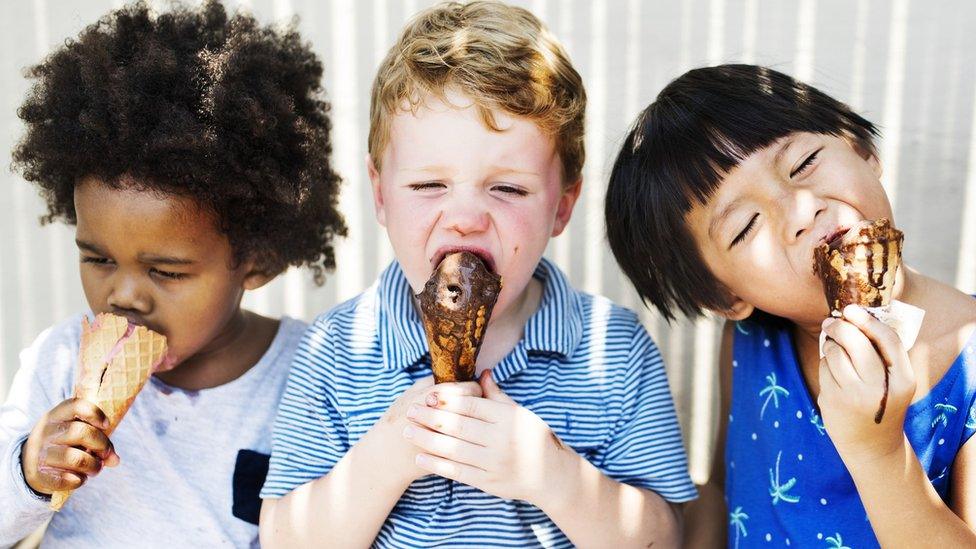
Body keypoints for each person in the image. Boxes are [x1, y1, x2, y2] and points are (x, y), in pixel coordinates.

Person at [258, 2, 696, 547]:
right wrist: (396, 447)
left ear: (562, 205)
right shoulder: (334, 350)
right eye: (428, 186)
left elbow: (665, 538)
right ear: (380, 194)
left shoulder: (616, 351)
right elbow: (284, 538)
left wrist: (553, 475)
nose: (465, 217)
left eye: (508, 188)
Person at [0, 1, 345, 546]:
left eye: (166, 270)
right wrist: (28, 471)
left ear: (257, 259)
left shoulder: (316, 377)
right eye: (98, 258)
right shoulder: (59, 363)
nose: (124, 295)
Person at [605, 64, 976, 548]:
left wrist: (878, 453)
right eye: (744, 226)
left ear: (863, 150)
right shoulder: (750, 339)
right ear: (727, 296)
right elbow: (726, 493)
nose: (800, 209)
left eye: (803, 163)